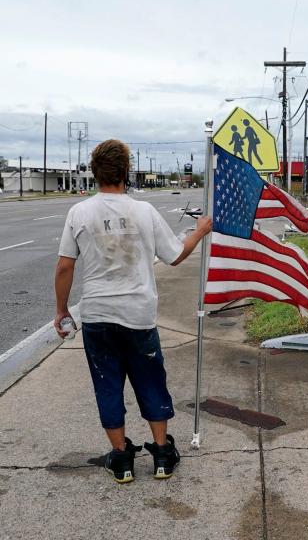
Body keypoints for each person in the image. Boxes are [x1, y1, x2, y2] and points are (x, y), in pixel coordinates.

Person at [54, 139, 212, 484]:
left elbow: (65, 267)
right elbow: (174, 255)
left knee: (107, 385)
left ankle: (122, 459)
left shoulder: (79, 213)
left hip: (97, 316)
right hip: (138, 316)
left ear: (94, 173)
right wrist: (199, 231)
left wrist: (62, 310)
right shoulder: (144, 212)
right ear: (127, 171)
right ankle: (162, 455)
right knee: (151, 381)